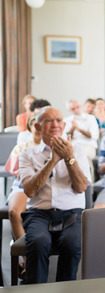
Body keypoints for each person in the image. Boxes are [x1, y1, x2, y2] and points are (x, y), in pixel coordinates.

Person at [19, 106, 91, 284]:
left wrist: (68, 158)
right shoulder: (28, 153)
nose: (55, 124)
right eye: (49, 120)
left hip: (71, 213)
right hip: (39, 213)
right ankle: (36, 289)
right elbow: (29, 190)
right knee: (38, 241)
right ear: (37, 127)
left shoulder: (78, 151)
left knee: (72, 244)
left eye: (59, 120)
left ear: (64, 124)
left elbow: (81, 186)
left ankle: (65, 289)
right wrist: (52, 162)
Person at [4, 115, 42, 278]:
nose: (40, 128)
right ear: (30, 127)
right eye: (36, 125)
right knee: (14, 212)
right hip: (24, 187)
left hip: (47, 189)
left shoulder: (55, 146)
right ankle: (27, 260)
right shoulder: (22, 147)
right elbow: (21, 176)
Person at [64, 99, 99, 181]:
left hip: (88, 145)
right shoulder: (67, 120)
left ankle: (89, 184)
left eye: (77, 107)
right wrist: (73, 128)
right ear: (69, 110)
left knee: (83, 157)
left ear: (81, 106)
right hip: (73, 145)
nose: (76, 110)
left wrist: (79, 129)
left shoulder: (91, 118)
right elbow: (66, 137)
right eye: (73, 109)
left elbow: (93, 135)